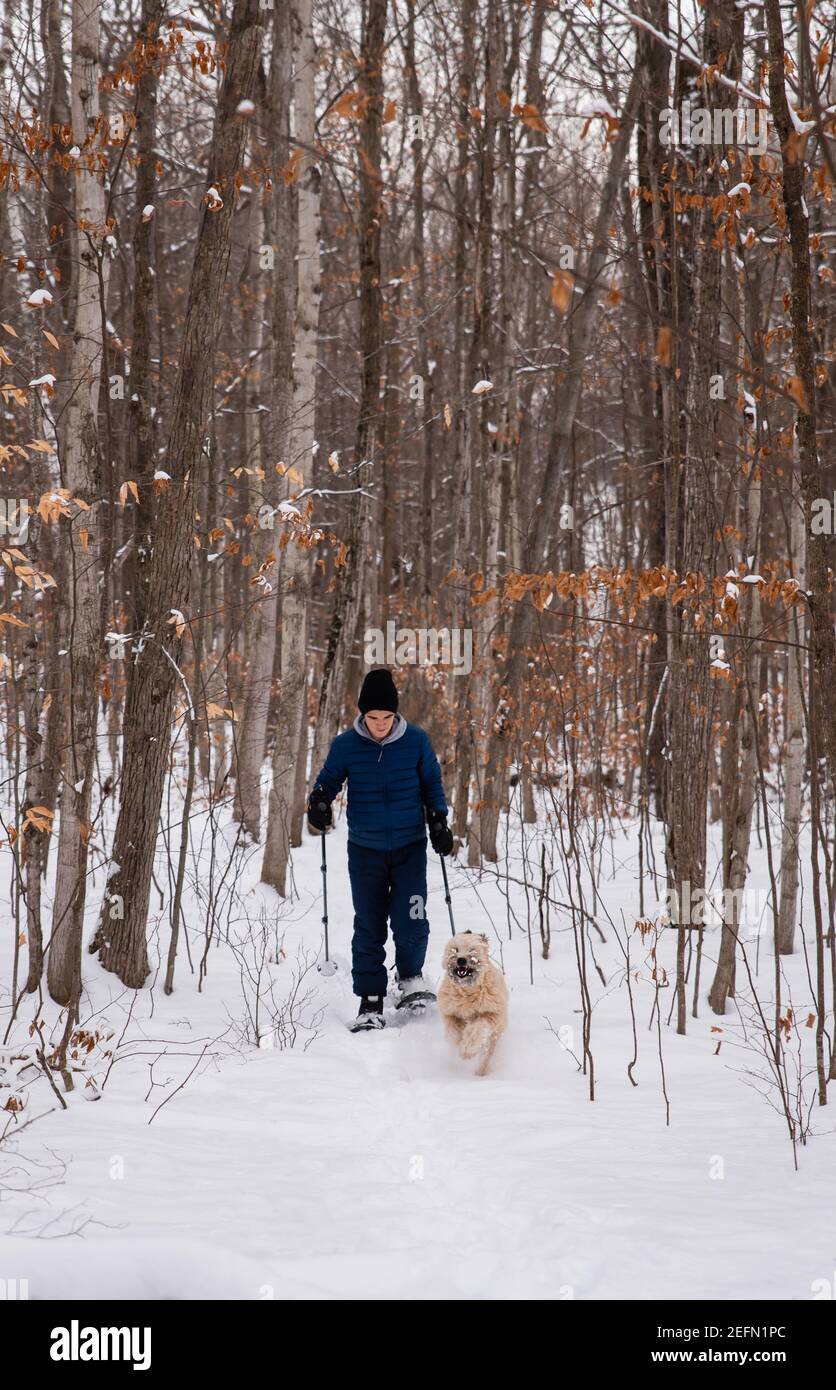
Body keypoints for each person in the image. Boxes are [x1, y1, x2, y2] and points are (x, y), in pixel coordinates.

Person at [306, 668, 453, 1030]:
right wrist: (320, 802)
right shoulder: (346, 746)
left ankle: (410, 978)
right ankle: (370, 999)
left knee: (412, 919)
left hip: (409, 847)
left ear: (396, 714)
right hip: (365, 849)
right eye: (373, 717)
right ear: (362, 714)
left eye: (386, 717)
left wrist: (438, 820)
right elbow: (327, 782)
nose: (380, 724)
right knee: (369, 924)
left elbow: (432, 782)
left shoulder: (416, 741)